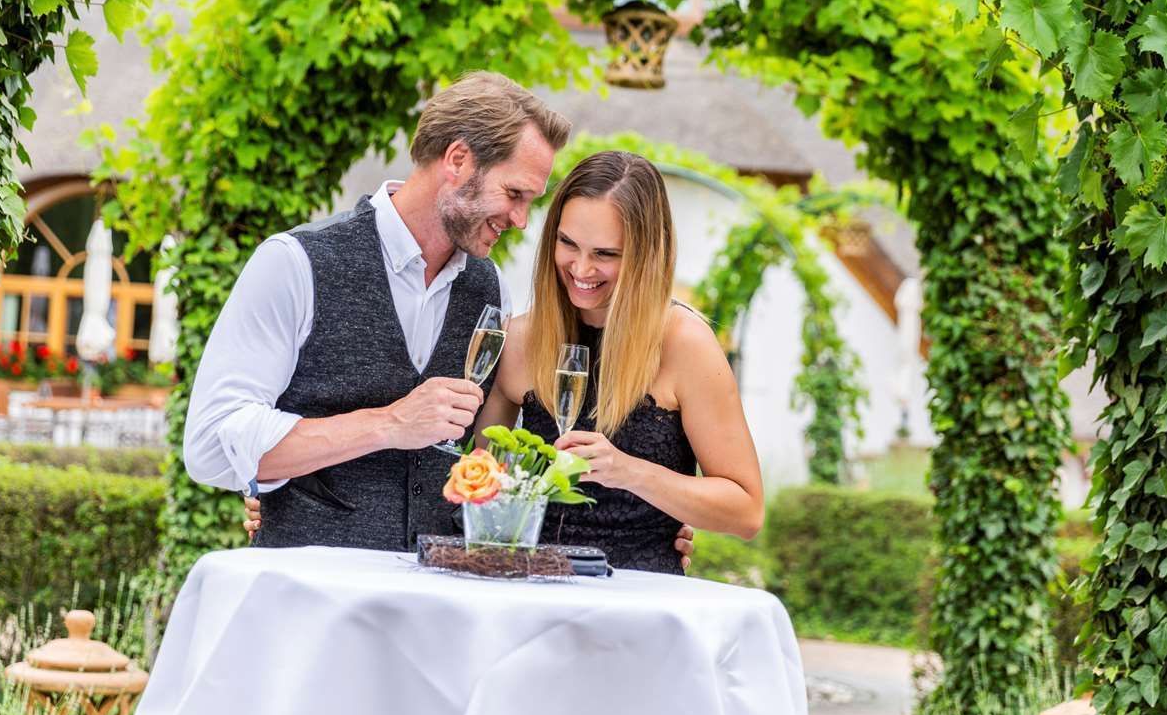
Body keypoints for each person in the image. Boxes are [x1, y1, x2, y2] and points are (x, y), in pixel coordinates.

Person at [183, 71, 566, 552]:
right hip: (310, 584)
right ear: (458, 160)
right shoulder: (295, 262)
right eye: (514, 194)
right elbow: (211, 445)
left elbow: (492, 456)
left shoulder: (490, 290)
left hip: (436, 589)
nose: (521, 220)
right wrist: (390, 423)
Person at [475, 150, 764, 573]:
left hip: (642, 595)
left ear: (646, 254)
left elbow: (746, 511)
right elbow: (479, 483)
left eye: (605, 254)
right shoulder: (521, 339)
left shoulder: (685, 344)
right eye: (567, 243)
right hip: (533, 591)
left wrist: (629, 472)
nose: (581, 268)